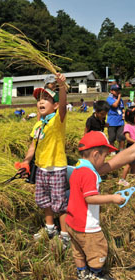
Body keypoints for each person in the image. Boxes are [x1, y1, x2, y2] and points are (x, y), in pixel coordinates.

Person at [15, 73, 70, 249]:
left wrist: (61, 87)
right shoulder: (38, 124)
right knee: (44, 201)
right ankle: (50, 228)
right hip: (41, 169)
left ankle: (65, 235)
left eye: (46, 98)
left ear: (54, 105)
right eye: (39, 99)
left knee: (59, 204)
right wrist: (25, 162)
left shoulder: (57, 120)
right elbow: (33, 146)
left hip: (56, 168)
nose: (41, 102)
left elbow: (63, 105)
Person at [66, 131, 125, 280]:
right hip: (87, 226)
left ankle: (82, 273)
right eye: (105, 156)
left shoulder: (77, 169)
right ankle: (95, 274)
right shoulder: (89, 174)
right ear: (96, 154)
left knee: (78, 251)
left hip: (72, 222)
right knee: (98, 250)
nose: (105, 161)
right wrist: (113, 198)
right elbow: (90, 198)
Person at [118, 107, 135, 186]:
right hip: (130, 147)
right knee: (129, 164)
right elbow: (128, 138)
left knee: (134, 163)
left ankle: (132, 177)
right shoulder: (127, 126)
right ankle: (122, 179)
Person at [106, 84, 125, 154]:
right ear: (111, 91)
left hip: (120, 121)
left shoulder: (121, 100)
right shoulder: (109, 99)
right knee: (112, 137)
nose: (118, 92)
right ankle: (112, 151)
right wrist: (119, 97)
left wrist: (124, 113)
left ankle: (121, 150)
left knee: (122, 136)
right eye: (116, 90)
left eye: (118, 90)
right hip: (112, 121)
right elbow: (115, 105)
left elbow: (122, 108)